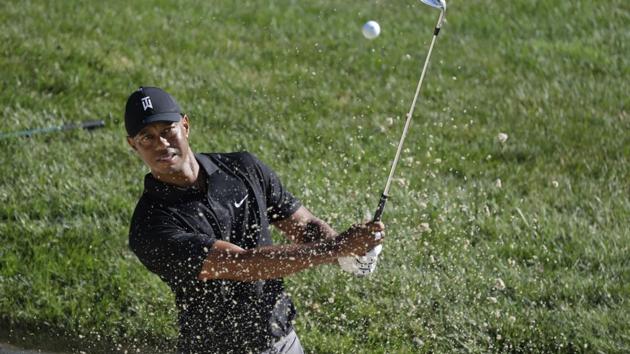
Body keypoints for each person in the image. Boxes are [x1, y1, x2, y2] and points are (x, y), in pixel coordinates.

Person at [124, 86, 385, 354]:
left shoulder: (242, 168)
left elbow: (304, 226)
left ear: (186, 125)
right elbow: (243, 265)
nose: (161, 144)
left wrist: (346, 253)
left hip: (282, 340)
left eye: (168, 130)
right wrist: (337, 248)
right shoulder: (150, 226)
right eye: (147, 137)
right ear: (133, 144)